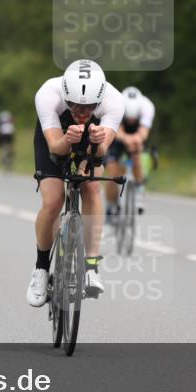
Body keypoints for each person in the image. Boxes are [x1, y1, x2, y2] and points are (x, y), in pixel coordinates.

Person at [27, 59, 124, 307]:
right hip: (57, 137)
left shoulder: (114, 101)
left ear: (99, 100)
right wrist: (68, 139)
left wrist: (96, 142)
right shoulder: (48, 94)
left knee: (92, 187)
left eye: (89, 107)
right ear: (65, 95)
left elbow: (101, 151)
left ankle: (91, 267)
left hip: (93, 138)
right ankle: (40, 269)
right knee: (53, 200)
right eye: (74, 105)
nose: (81, 112)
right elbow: (55, 147)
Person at [105, 86, 155, 216]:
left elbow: (144, 132)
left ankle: (139, 190)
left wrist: (135, 140)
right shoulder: (116, 105)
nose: (131, 120)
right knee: (113, 174)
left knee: (136, 152)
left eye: (134, 118)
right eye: (129, 118)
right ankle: (111, 204)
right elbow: (116, 131)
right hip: (117, 134)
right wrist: (126, 138)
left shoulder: (147, 107)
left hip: (136, 135)